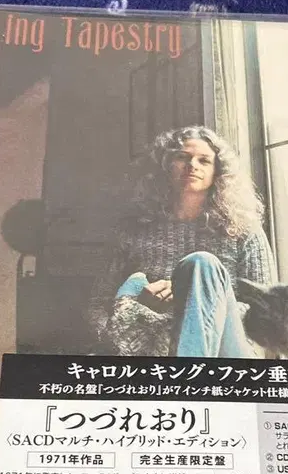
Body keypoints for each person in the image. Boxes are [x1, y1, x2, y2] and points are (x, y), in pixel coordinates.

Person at [88, 125, 276, 358]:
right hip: (148, 346)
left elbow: (266, 310)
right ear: (165, 166)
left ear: (218, 172)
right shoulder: (133, 230)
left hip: (225, 351)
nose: (192, 165)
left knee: (201, 263)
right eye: (182, 157)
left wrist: (198, 300)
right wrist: (139, 308)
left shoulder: (243, 230)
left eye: (204, 160)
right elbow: (98, 305)